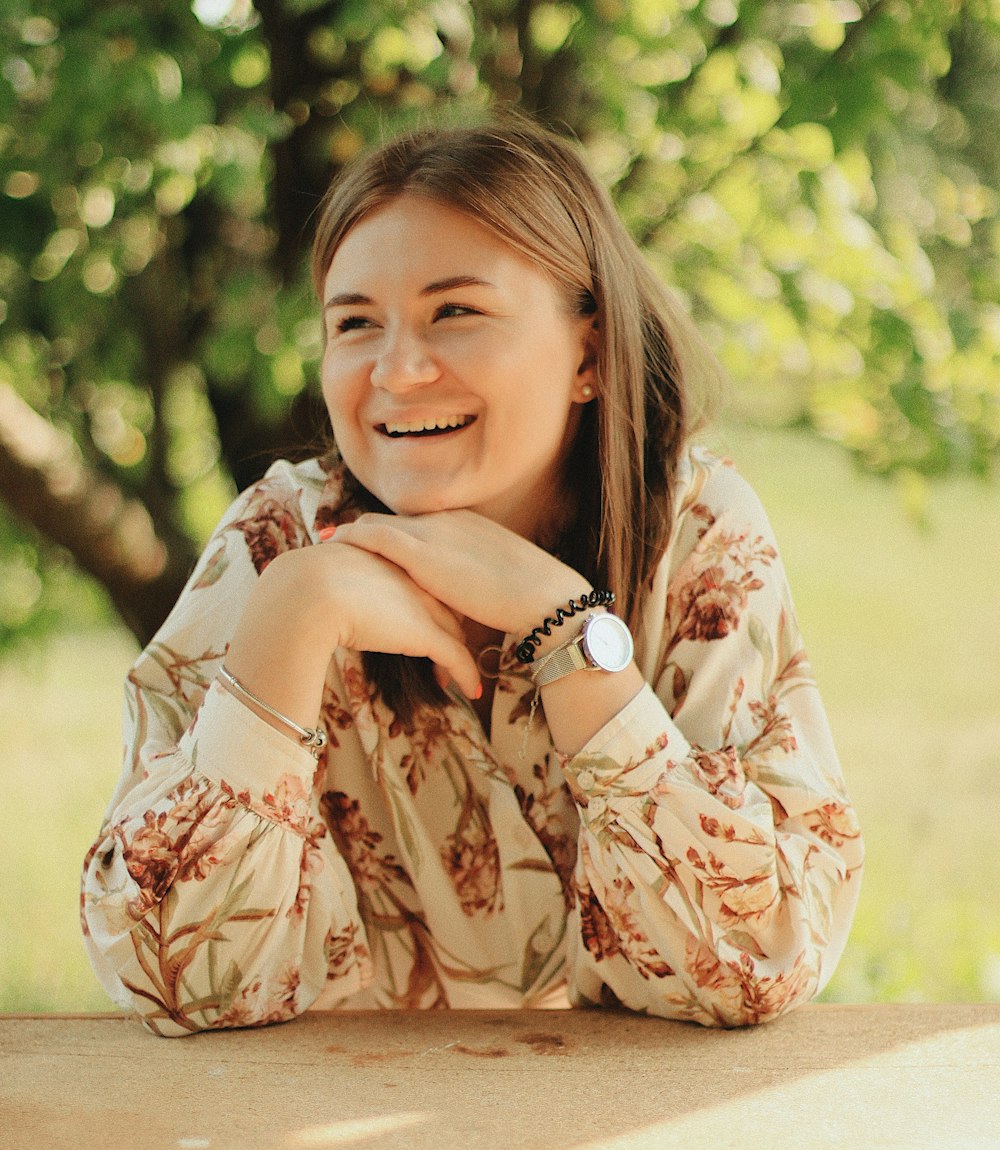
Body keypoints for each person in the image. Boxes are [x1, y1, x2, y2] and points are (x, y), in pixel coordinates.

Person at [81, 115, 864, 1038]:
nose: (398, 370)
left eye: (455, 311)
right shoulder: (280, 540)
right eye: (355, 324)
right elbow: (178, 980)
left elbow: (754, 960)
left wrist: (568, 629)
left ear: (590, 354)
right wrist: (295, 609)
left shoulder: (695, 535)